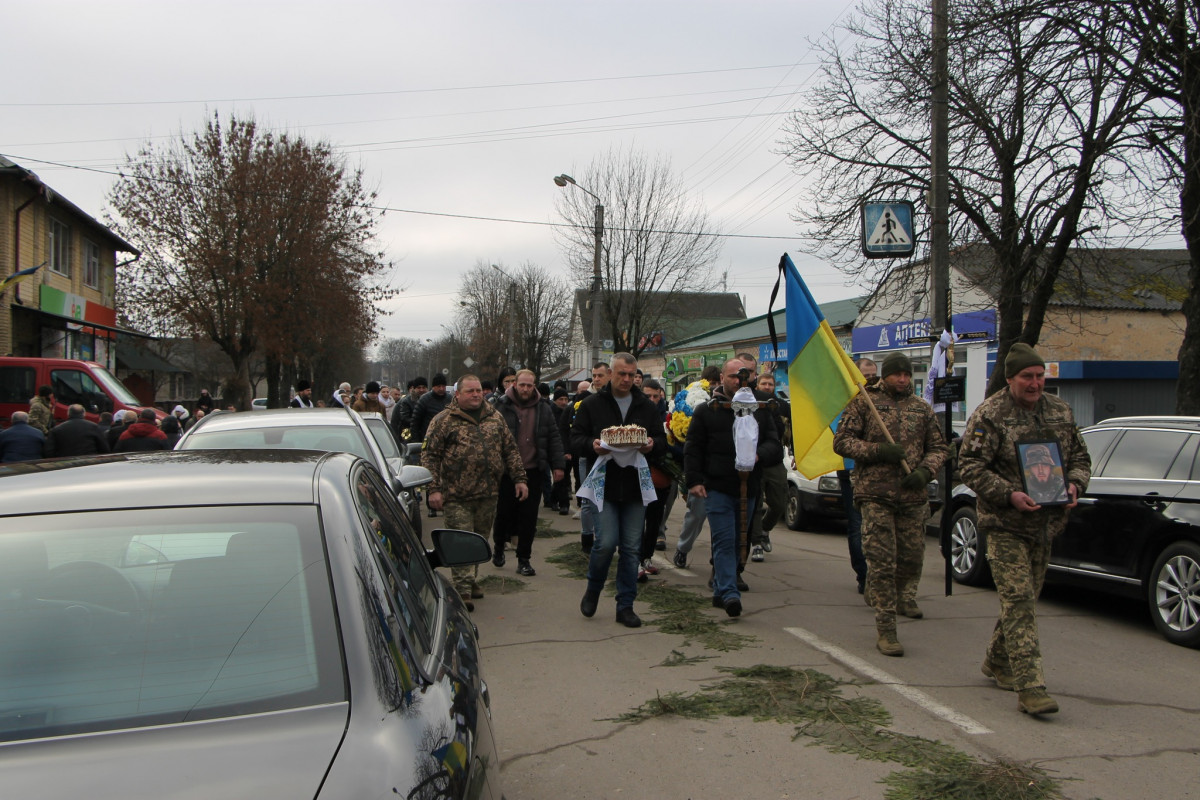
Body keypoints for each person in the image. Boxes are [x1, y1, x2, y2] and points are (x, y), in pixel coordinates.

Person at [959, 343, 1090, 716]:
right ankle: (1031, 687)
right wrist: (1009, 494)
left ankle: (997, 662)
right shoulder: (991, 414)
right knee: (1018, 601)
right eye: (1027, 377)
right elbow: (970, 464)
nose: (1035, 384)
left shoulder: (1060, 411)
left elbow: (1080, 457)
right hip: (1004, 523)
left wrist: (1075, 484)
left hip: (1046, 523)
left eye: (1039, 376)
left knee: (1025, 600)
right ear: (1010, 378)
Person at [833, 351, 949, 657]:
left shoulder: (921, 409)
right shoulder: (864, 402)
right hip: (875, 494)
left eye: (907, 375)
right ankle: (886, 630)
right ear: (886, 376)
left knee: (910, 559)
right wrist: (878, 451)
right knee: (883, 561)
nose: (902, 379)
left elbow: (938, 447)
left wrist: (926, 471)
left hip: (912, 496)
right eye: (897, 374)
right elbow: (842, 441)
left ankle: (896, 594)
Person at [684, 358, 784, 617]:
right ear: (722, 378)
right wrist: (694, 481)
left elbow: (774, 443)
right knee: (725, 539)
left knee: (742, 540)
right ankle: (730, 593)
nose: (738, 380)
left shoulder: (760, 408)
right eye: (732, 376)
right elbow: (693, 447)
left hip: (748, 487)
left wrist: (758, 455)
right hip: (717, 486)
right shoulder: (708, 410)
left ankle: (720, 588)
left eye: (744, 375)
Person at [572, 353, 665, 628]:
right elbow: (575, 439)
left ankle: (625, 605)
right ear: (610, 373)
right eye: (621, 374)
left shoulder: (645, 406)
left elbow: (661, 440)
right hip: (604, 485)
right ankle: (594, 587)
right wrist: (593, 444)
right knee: (605, 543)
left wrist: (651, 445)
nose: (626, 379)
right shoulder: (591, 405)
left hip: (635, 485)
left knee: (631, 548)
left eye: (631, 374)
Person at [422, 374, 528, 609]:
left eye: (478, 390)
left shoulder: (494, 417)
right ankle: (462, 591)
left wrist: (520, 479)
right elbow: (429, 456)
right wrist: (433, 489)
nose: (476, 394)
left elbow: (510, 450)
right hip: (456, 496)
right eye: (470, 391)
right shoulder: (443, 421)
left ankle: (471, 579)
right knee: (461, 540)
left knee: (479, 540)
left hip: (488, 493)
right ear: (457, 394)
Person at [492, 369, 565, 576]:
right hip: (506, 472)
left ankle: (524, 559)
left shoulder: (543, 408)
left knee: (529, 517)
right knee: (504, 513)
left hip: (534, 470)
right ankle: (499, 546)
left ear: (534, 386)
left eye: (529, 385)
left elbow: (553, 437)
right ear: (514, 384)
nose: (525, 389)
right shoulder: (500, 405)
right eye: (522, 385)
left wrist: (558, 466)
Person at [671, 365, 723, 571]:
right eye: (713, 384)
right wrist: (693, 478)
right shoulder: (697, 403)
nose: (715, 387)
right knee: (696, 515)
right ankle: (682, 549)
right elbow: (691, 444)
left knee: (725, 522)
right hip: (704, 471)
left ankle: (721, 561)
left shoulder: (737, 403)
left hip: (725, 472)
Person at [838, 357, 878, 593]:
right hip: (851, 468)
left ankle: (880, 574)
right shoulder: (849, 401)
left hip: (878, 473)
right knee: (857, 524)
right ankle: (864, 576)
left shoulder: (884, 401)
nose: (871, 380)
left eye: (874, 375)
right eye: (866, 375)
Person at [748, 370, 788, 563]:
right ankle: (756, 543)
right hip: (755, 461)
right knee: (755, 504)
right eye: (763, 384)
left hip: (774, 460)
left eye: (770, 385)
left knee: (779, 503)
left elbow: (790, 431)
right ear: (758, 386)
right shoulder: (752, 404)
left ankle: (764, 530)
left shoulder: (781, 407)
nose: (767, 387)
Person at [43, 403, 109, 457]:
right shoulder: (94, 427)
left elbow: (49, 452)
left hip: (65, 464)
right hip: (89, 463)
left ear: (68, 414)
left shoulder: (56, 430)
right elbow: (104, 449)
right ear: (84, 414)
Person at [549, 387, 574, 515]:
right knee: (560, 476)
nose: (564, 402)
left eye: (566, 399)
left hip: (568, 449)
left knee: (562, 477)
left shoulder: (570, 412)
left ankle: (553, 498)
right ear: (555, 400)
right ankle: (563, 504)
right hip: (554, 450)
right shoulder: (550, 413)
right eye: (560, 399)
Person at [410, 374, 451, 445]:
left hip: (447, 440)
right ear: (433, 387)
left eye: (443, 386)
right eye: (439, 386)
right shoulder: (424, 400)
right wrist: (416, 442)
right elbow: (415, 423)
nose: (441, 389)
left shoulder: (450, 399)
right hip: (428, 440)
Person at [391, 377, 428, 443]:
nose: (421, 390)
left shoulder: (430, 400)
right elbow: (404, 419)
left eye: (424, 387)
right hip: (409, 436)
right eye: (419, 388)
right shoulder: (406, 401)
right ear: (414, 389)